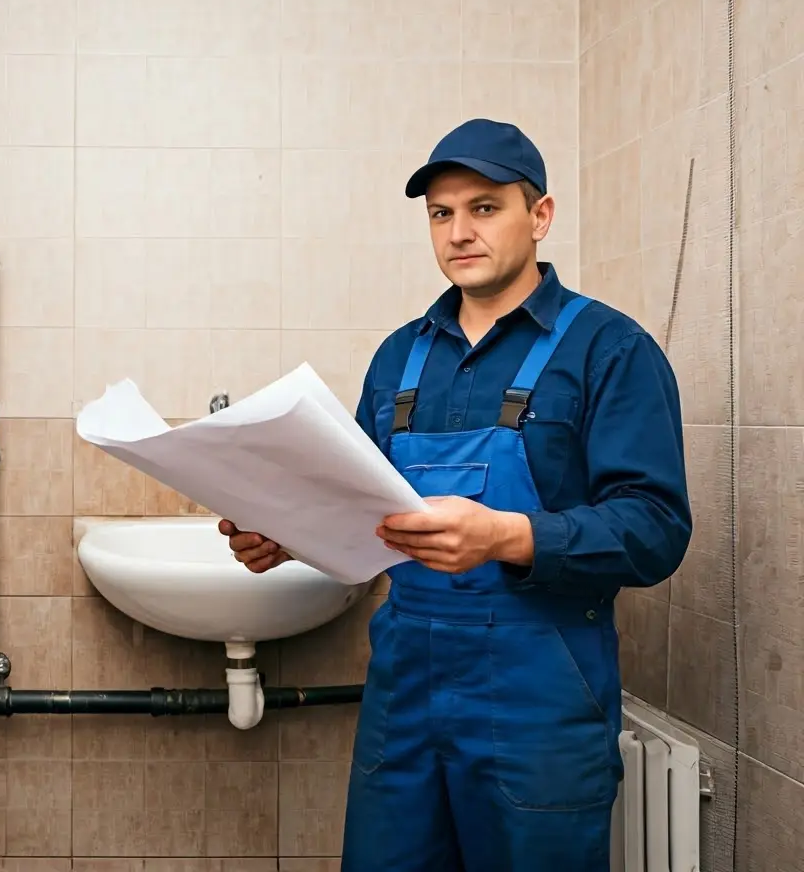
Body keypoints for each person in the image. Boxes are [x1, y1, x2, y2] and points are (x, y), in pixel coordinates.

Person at [219, 118, 692, 871]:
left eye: (484, 207)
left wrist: (506, 537)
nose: (459, 231)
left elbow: (656, 528)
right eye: (442, 213)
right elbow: (360, 512)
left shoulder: (609, 349)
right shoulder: (400, 355)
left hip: (540, 703)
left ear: (539, 216)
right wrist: (286, 534)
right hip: (404, 701)